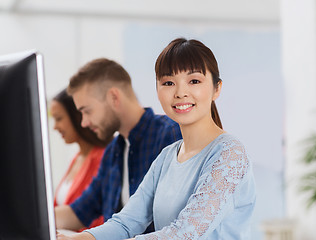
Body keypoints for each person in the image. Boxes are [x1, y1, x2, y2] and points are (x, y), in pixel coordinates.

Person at [57, 38, 256, 240]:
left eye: (194, 81)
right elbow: (126, 222)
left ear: (217, 88)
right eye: (168, 83)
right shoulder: (167, 157)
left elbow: (185, 233)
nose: (180, 93)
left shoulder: (230, 153)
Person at [55, 58, 182, 232]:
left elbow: (182, 223)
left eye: (87, 111)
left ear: (114, 97)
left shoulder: (170, 136)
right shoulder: (113, 152)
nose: (83, 123)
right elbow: (78, 212)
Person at [51, 89, 111, 230]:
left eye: (59, 118)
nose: (55, 127)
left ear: (77, 117)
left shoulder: (102, 157)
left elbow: (96, 219)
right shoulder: (77, 158)